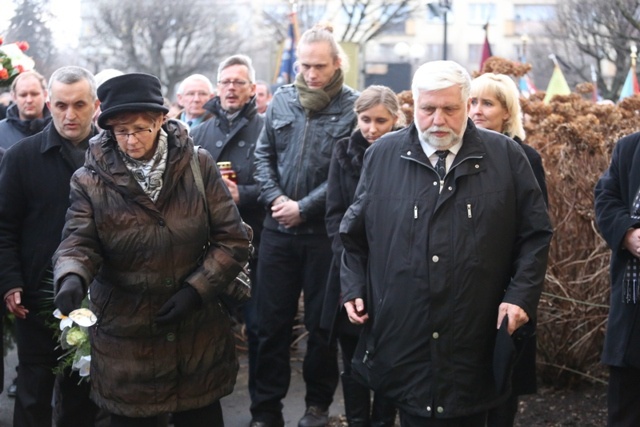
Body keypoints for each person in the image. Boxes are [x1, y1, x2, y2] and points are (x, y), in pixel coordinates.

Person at [339, 60, 552, 427]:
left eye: (450, 109)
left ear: (467, 105)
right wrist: (353, 286)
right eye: (428, 109)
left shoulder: (506, 156)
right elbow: (355, 236)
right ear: (414, 107)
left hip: (477, 333)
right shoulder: (382, 156)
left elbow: (535, 235)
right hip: (404, 332)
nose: (438, 120)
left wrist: (520, 296)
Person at [51, 72, 251, 427]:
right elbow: (79, 239)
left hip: (196, 332)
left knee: (198, 415)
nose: (130, 140)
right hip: (128, 336)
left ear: (161, 119)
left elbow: (232, 239)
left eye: (141, 128)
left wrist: (196, 290)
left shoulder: (197, 165)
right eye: (121, 131)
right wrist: (71, 276)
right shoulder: (90, 178)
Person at [251, 22, 359, 427]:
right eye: (304, 65)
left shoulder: (352, 107)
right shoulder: (281, 101)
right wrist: (278, 199)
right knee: (269, 326)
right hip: (278, 230)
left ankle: (316, 407)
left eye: (318, 66)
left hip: (322, 235)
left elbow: (346, 172)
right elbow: (263, 157)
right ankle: (265, 411)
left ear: (336, 64)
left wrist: (304, 207)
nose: (310, 74)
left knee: (322, 327)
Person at [0, 65, 101, 427]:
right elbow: (4, 225)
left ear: (96, 105)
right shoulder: (22, 157)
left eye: (79, 105)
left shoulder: (112, 155)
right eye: (60, 105)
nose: (68, 115)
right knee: (33, 391)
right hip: (35, 292)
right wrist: (11, 281)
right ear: (49, 103)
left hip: (97, 292)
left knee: (81, 393)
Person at [468, 72, 548, 427]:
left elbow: (535, 230)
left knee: (502, 385)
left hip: (507, 287)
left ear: (507, 111)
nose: (477, 111)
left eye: (487, 103)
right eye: (471, 102)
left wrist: (520, 290)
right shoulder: (456, 153)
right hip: (463, 288)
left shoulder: (525, 157)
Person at [323, 85, 402, 427]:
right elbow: (334, 212)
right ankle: (357, 421)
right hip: (349, 267)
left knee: (391, 353)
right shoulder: (344, 151)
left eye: (380, 121)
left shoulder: (405, 152)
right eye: (365, 119)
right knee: (352, 351)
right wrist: (347, 257)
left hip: (393, 268)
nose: (371, 128)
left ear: (395, 119)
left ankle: (383, 420)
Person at [191, 54, 265, 402]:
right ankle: (204, 397)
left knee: (260, 328)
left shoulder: (267, 128)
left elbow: (281, 185)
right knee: (207, 326)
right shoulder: (201, 129)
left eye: (239, 82)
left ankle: (262, 408)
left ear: (252, 89)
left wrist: (244, 193)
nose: (231, 88)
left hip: (257, 242)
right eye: (226, 82)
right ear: (217, 87)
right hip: (207, 244)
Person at [594, 131, 640, 426]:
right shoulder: (629, 147)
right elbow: (606, 199)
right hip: (633, 312)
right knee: (626, 412)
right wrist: (628, 233)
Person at [0, 70, 51, 150]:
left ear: (45, 94)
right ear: (14, 97)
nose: (29, 100)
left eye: (34, 94)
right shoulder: (1, 132)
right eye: (23, 95)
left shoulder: (59, 128)